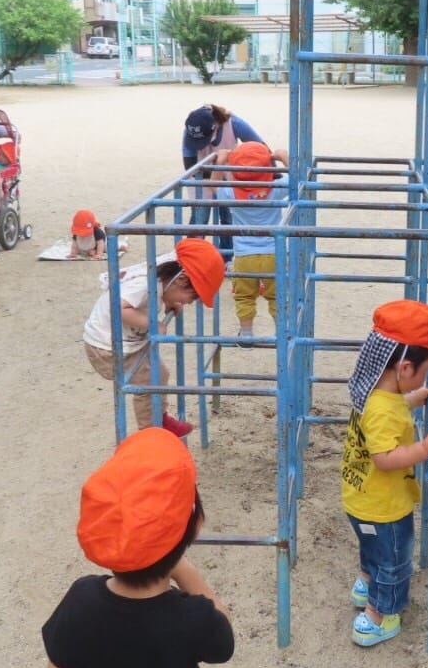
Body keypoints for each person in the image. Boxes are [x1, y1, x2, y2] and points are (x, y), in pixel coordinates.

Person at [42, 428, 234, 668]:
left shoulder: (79, 600)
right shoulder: (192, 618)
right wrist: (183, 571)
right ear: (192, 528)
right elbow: (224, 635)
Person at [341, 300, 428, 647]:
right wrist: (426, 449)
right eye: (424, 371)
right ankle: (379, 615)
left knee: (372, 548)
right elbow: (385, 457)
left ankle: (365, 582)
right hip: (385, 505)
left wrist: (412, 399)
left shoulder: (373, 395)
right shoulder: (382, 411)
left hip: (359, 497)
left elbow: (387, 408)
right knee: (393, 560)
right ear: (405, 368)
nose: (425, 377)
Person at [82, 238, 226, 438]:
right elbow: (117, 307)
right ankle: (151, 433)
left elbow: (152, 298)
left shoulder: (162, 281)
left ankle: (160, 418)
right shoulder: (144, 283)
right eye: (192, 297)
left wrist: (168, 301)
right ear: (182, 280)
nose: (191, 303)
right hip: (107, 347)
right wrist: (152, 323)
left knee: (161, 373)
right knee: (149, 381)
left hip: (127, 343)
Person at [211, 142, 289, 346]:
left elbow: (212, 186)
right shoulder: (276, 190)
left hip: (244, 256)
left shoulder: (230, 193)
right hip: (275, 253)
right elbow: (298, 181)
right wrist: (284, 158)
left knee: (244, 296)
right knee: (277, 296)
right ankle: (282, 333)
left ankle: (246, 334)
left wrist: (221, 162)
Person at [182, 104, 265, 259]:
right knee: (199, 219)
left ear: (216, 125)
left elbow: (260, 146)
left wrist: (271, 173)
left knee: (228, 217)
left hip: (227, 176)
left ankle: (225, 257)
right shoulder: (191, 130)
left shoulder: (234, 124)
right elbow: (189, 166)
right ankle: (190, 260)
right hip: (201, 178)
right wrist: (217, 172)